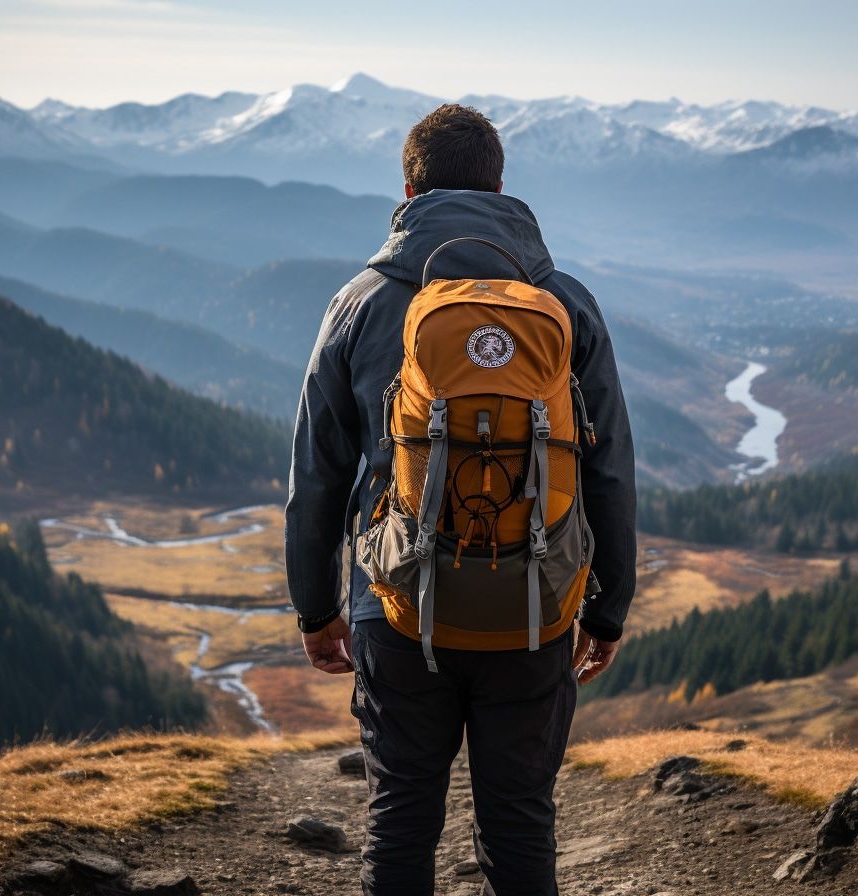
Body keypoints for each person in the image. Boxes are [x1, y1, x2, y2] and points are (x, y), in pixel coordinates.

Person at [285, 103, 636, 896]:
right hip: (536, 602)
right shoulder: (565, 304)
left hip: (398, 604)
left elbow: (316, 472)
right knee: (518, 820)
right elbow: (610, 465)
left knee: (401, 816)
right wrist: (608, 608)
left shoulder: (361, 300)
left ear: (406, 190)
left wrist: (315, 610)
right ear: (501, 186)